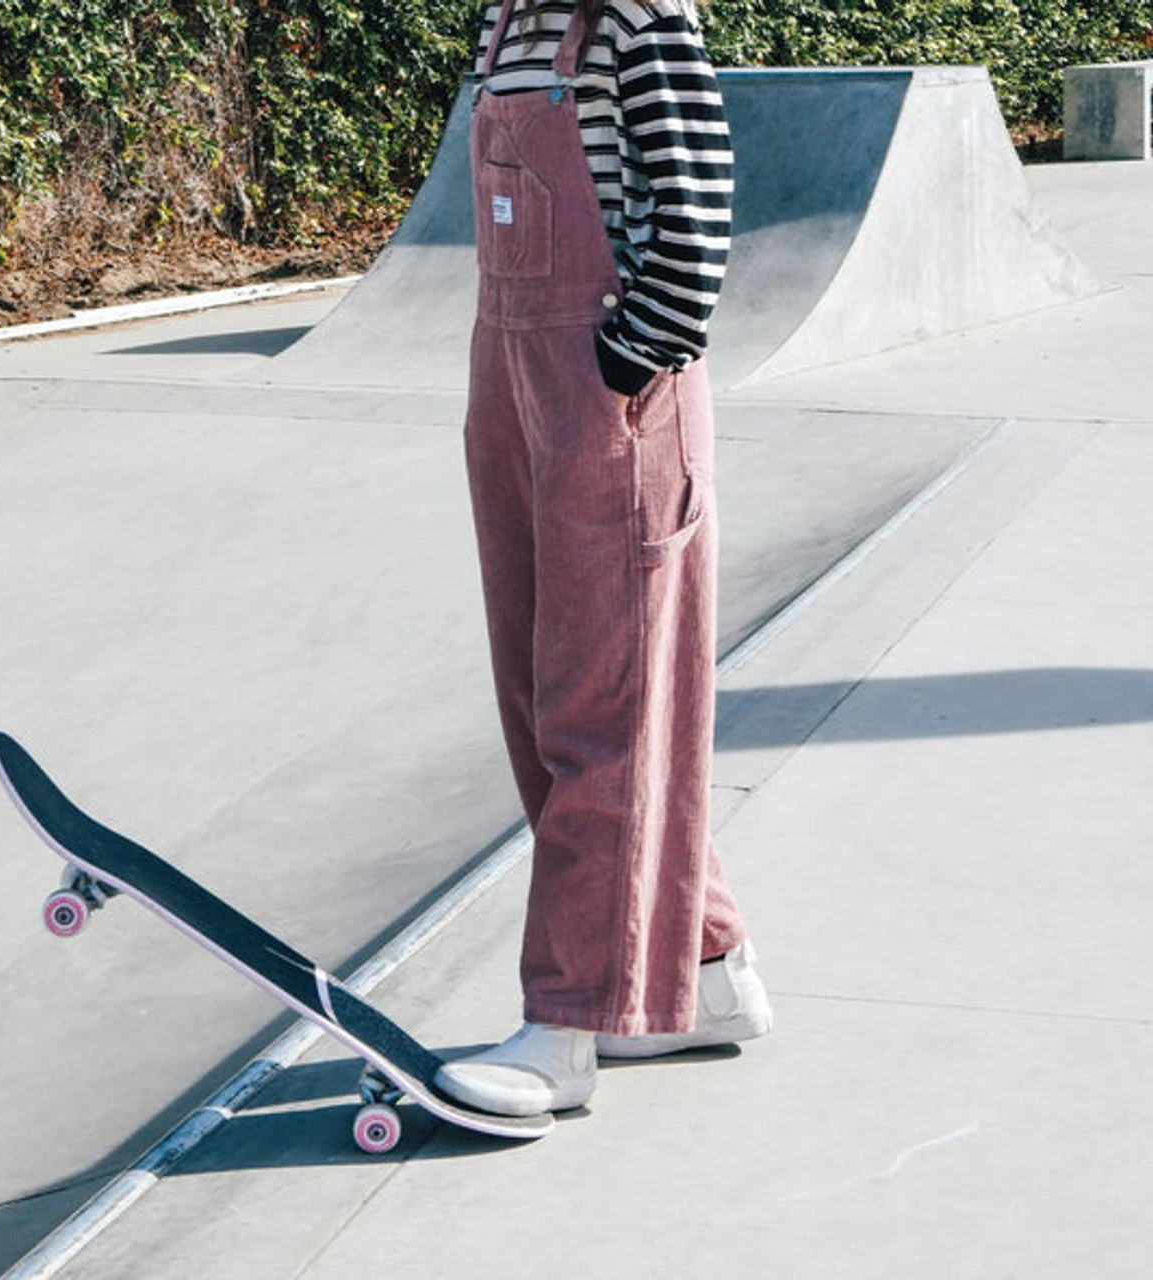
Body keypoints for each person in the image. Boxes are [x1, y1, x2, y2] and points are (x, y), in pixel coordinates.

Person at [435, 0, 771, 1119]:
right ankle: (709, 975)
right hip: (510, 389)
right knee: (546, 704)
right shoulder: (504, 24)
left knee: (604, 716)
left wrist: (622, 366)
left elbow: (697, 208)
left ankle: (566, 1024)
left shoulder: (636, 18)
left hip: (609, 400)